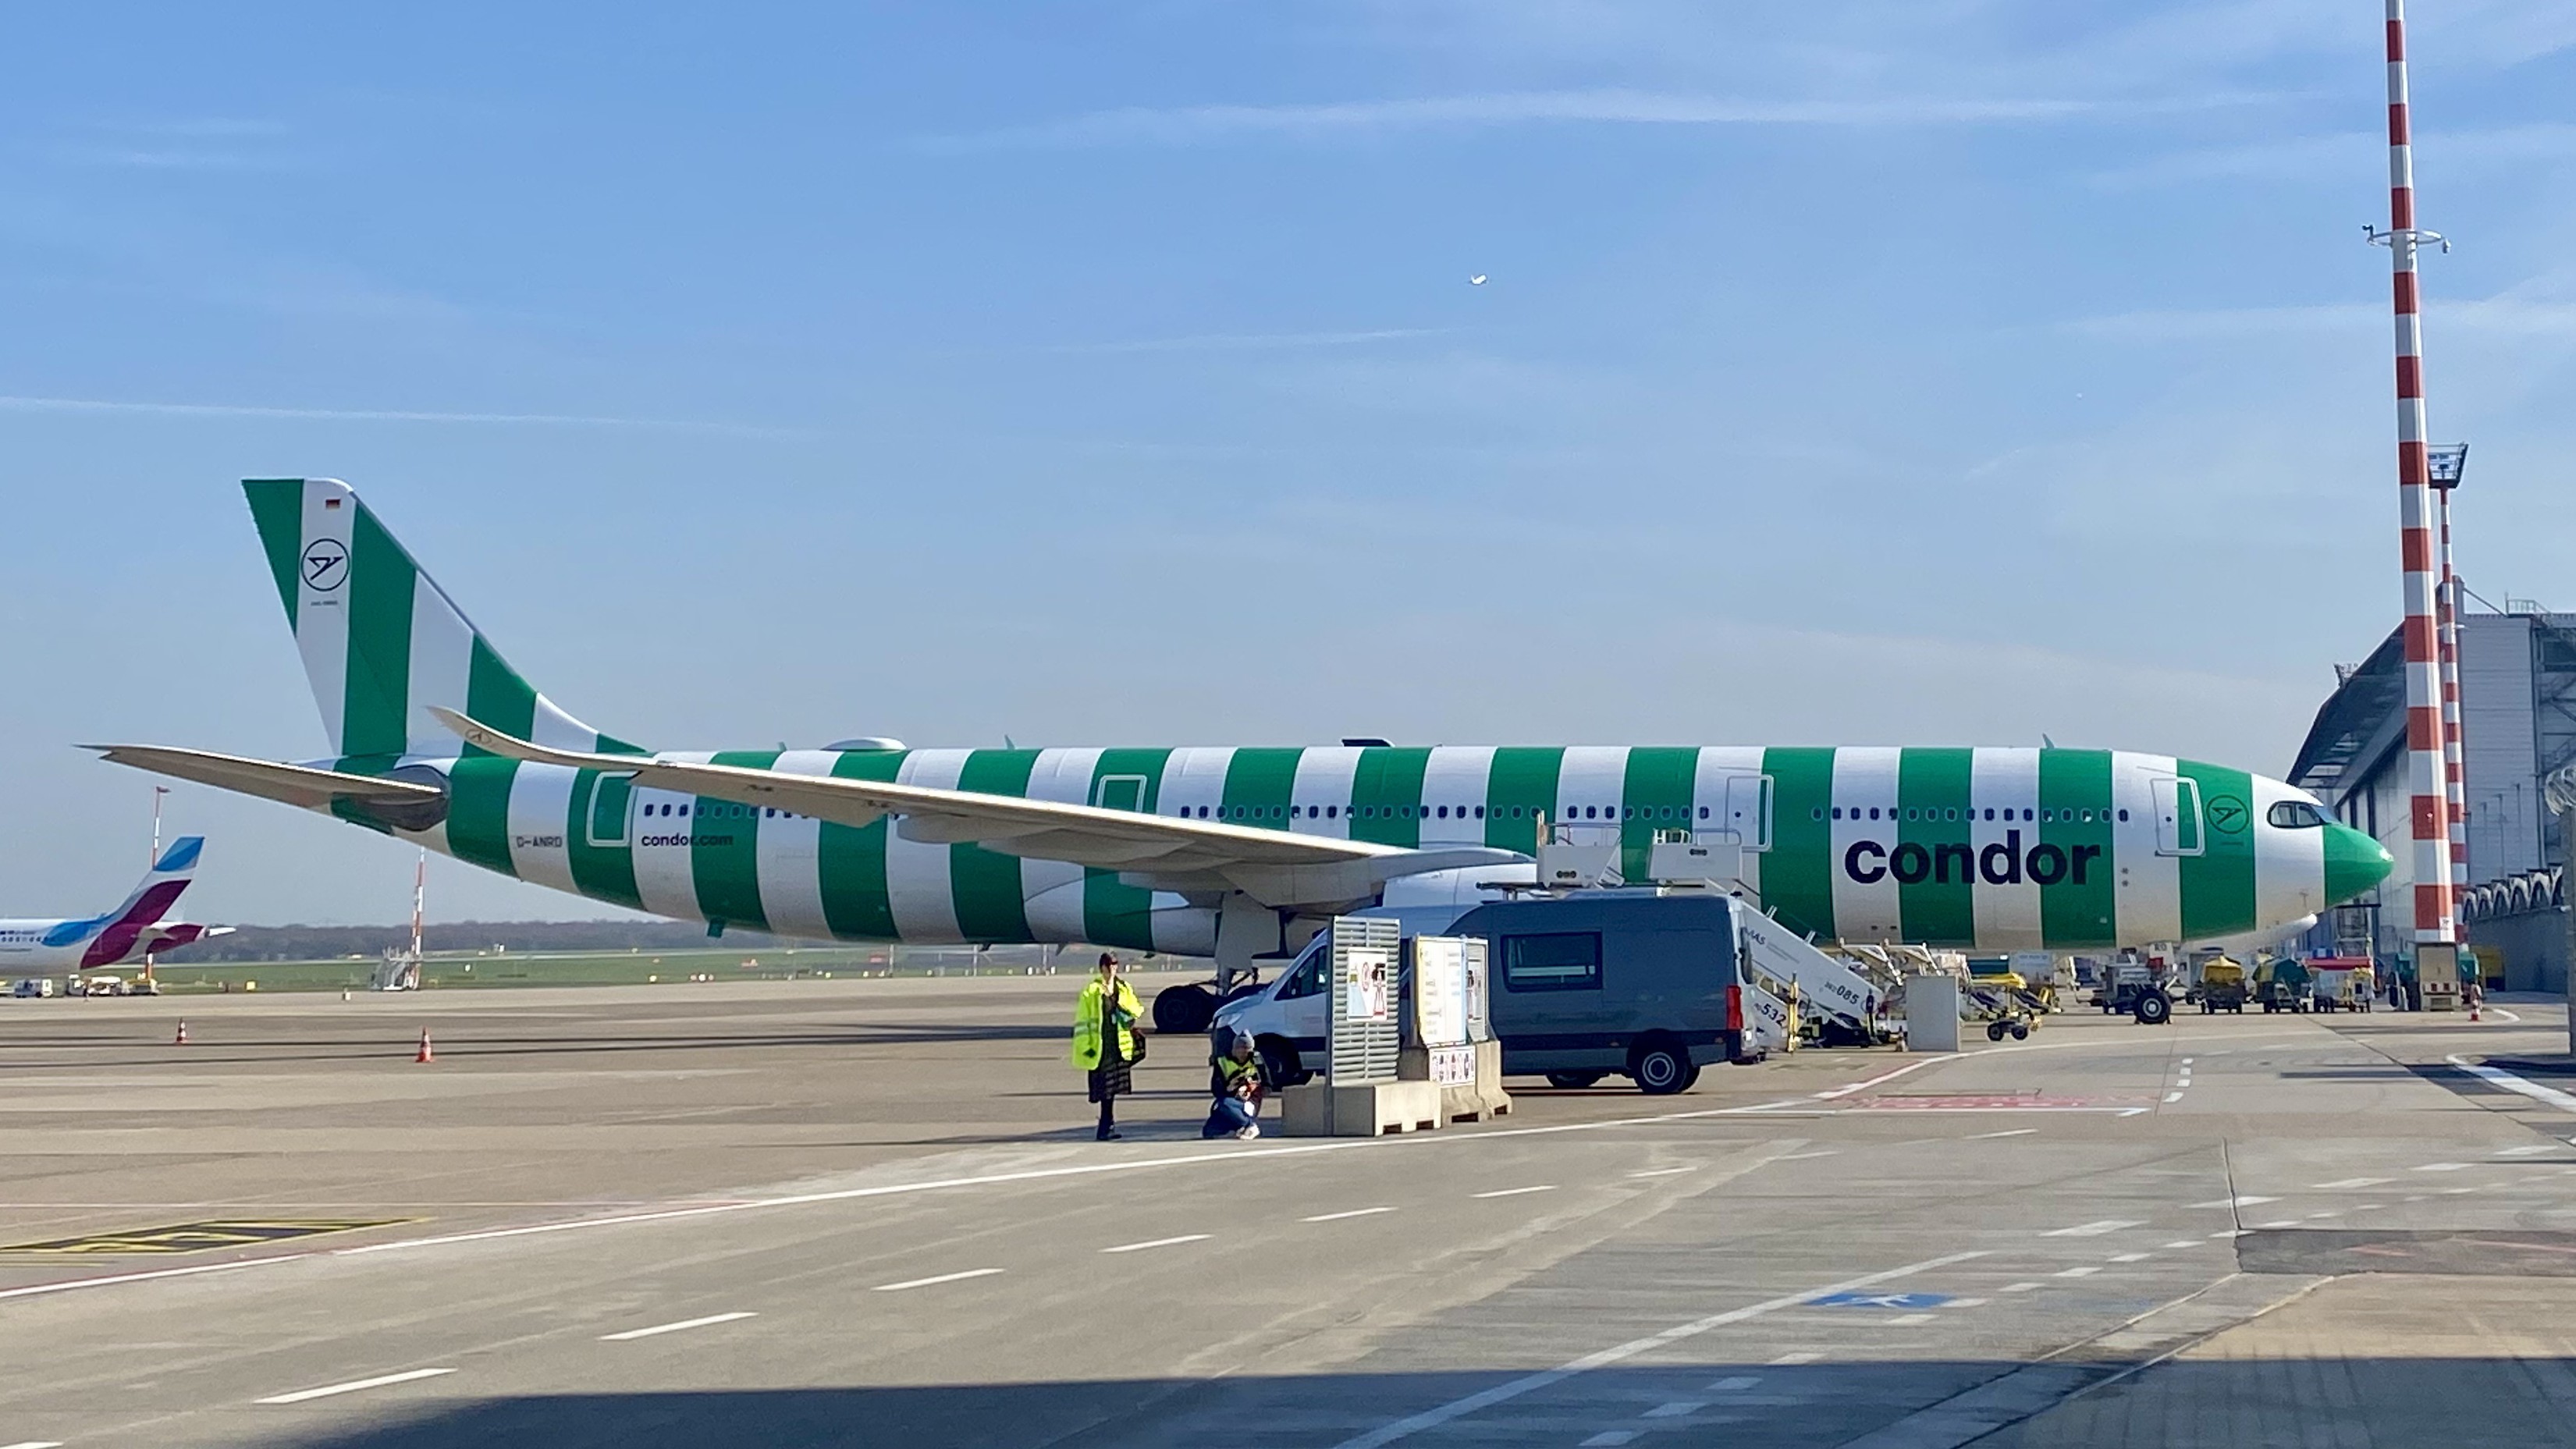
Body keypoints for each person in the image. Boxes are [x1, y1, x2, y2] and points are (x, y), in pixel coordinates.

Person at [1071, 952, 1144, 1141]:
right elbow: (1083, 1021)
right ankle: (1105, 1126)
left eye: (1115, 965)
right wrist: (1085, 1046)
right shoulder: (1091, 991)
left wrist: (1128, 1014)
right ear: (1102, 968)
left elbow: (1137, 1008)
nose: (1112, 969)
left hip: (1118, 1046)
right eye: (1109, 965)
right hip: (1100, 1047)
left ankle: (1108, 1125)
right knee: (1104, 1090)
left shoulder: (1123, 988)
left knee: (1113, 1089)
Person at [1203, 1028, 1266, 1141]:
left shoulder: (1256, 1059)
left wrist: (1251, 1088)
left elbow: (1267, 1083)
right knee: (1209, 1131)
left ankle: (1250, 1125)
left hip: (1249, 1100)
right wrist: (1230, 1087)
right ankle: (1238, 1128)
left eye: (1247, 1049)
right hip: (1230, 1098)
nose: (1243, 1052)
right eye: (1240, 1048)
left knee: (1225, 1104)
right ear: (1234, 1048)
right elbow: (1216, 1089)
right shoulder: (1222, 1061)